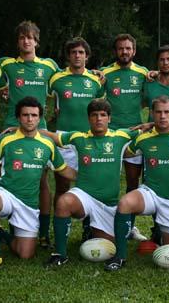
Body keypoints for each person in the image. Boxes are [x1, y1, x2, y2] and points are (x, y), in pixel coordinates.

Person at [0, 96, 76, 271]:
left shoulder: (47, 144)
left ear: (39, 118)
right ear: (18, 117)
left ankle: (2, 234)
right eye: (25, 115)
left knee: (25, 254)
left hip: (29, 203)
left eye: (34, 115)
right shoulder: (5, 139)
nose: (29, 119)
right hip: (6, 194)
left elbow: (64, 170)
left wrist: (90, 177)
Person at [104, 96, 169, 271]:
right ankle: (120, 256)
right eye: (158, 112)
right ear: (152, 114)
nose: (162, 116)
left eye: (167, 112)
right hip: (150, 193)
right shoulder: (143, 139)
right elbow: (126, 152)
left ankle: (162, 236)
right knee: (125, 203)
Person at [42, 99, 139, 268]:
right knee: (64, 202)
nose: (98, 119)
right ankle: (60, 254)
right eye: (94, 115)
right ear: (88, 118)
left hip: (108, 204)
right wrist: (23, 129)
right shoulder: (78, 137)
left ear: (109, 118)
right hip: (84, 196)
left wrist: (150, 124)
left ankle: (90, 228)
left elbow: (147, 131)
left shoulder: (121, 136)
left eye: (103, 115)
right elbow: (53, 137)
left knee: (109, 247)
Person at [0, 21, 61, 247]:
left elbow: (67, 78)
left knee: (42, 181)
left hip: (38, 129)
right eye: (22, 37)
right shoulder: (6, 65)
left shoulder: (49, 66)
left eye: (30, 37)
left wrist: (94, 73)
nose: (26, 41)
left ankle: (43, 233)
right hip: (11, 128)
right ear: (18, 41)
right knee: (3, 177)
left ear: (37, 41)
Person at [48, 37, 104, 240]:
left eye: (81, 52)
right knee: (62, 184)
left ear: (87, 57)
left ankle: (89, 226)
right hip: (64, 138)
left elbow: (100, 107)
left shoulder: (96, 80)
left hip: (89, 139)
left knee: (89, 183)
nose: (77, 56)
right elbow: (46, 100)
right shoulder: (56, 79)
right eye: (73, 52)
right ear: (68, 56)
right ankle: (63, 227)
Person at [101, 34, 149, 241]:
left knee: (132, 182)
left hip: (133, 134)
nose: (124, 52)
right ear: (115, 51)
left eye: (128, 48)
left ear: (134, 51)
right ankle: (101, 225)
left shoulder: (143, 73)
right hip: (110, 135)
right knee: (105, 181)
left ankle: (129, 227)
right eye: (121, 49)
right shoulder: (105, 73)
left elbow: (149, 99)